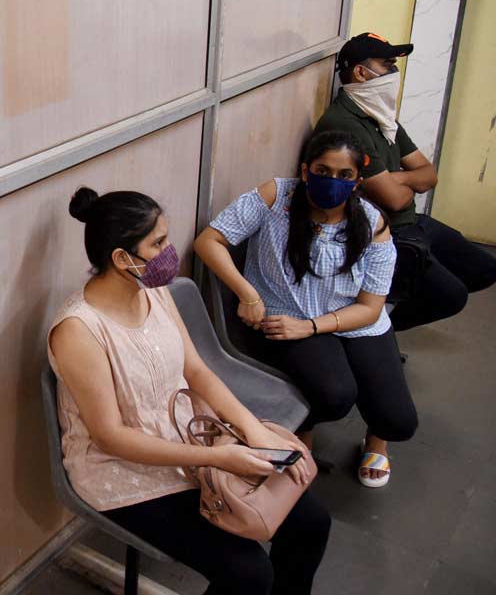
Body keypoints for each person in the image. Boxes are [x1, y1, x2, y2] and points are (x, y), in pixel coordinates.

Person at [49, 187, 328, 595]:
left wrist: (255, 432)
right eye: (158, 243)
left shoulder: (153, 291)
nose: (169, 252)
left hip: (188, 437)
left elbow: (196, 369)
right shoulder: (78, 331)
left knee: (312, 523)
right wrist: (218, 457)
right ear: (122, 258)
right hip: (122, 469)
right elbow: (110, 436)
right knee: (248, 573)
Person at [195, 131, 416, 488]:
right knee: (335, 395)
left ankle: (376, 440)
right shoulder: (276, 196)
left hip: (352, 321)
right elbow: (209, 241)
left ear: (357, 181)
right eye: (322, 170)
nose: (332, 181)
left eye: (344, 175)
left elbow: (370, 308)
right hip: (288, 317)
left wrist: (312, 326)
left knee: (399, 421)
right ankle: (303, 429)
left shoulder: (372, 223)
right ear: (304, 170)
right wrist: (248, 294)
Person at [313, 32, 496, 330]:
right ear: (361, 72)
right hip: (385, 231)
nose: (393, 72)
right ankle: (371, 327)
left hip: (411, 221)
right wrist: (405, 184)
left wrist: (395, 178)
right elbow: (396, 199)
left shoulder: (381, 117)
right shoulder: (345, 124)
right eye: (386, 64)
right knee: (452, 296)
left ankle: (380, 314)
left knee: (484, 268)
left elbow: (429, 175)